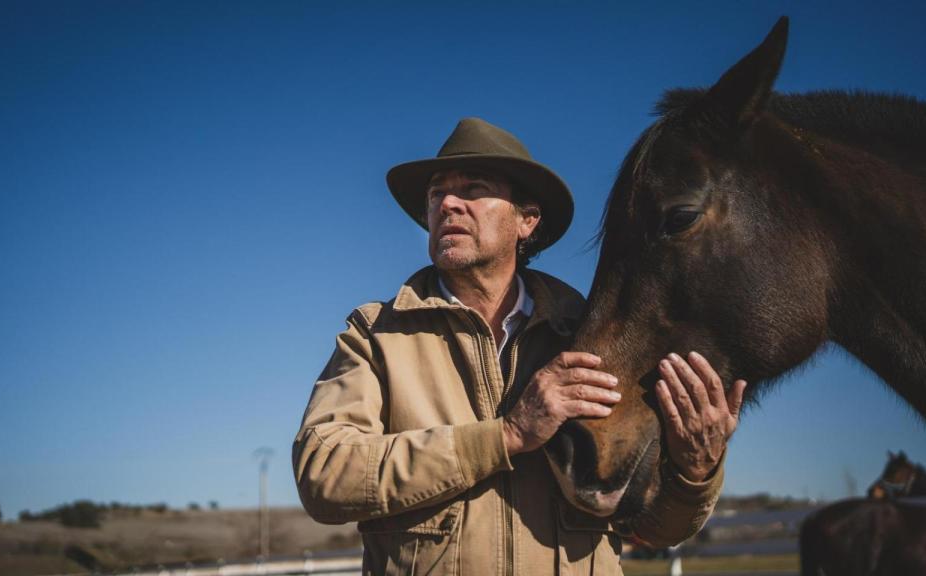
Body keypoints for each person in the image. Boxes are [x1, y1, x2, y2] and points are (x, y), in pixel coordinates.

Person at [293, 117, 746, 575]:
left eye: (473, 188)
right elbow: (325, 476)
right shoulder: (377, 334)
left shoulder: (592, 335)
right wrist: (505, 435)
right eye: (436, 195)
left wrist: (695, 471)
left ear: (526, 220)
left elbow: (656, 529)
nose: (448, 203)